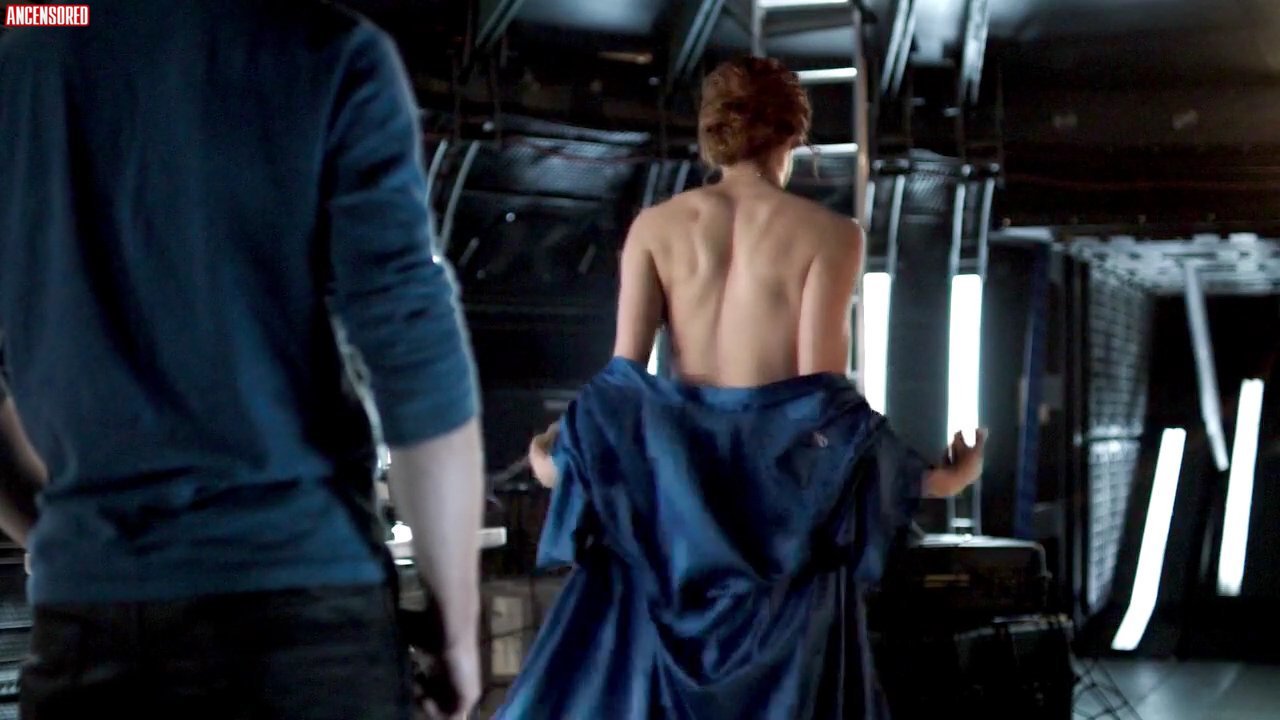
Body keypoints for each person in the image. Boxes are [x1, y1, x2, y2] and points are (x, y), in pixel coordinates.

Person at [0, 3, 485, 719]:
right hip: (302, 625)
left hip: (87, 632)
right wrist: (457, 630)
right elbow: (417, 364)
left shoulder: (26, 53)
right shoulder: (326, 49)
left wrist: (78, 550)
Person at [502, 57, 985, 718]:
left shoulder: (655, 227)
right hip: (777, 525)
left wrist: (558, 459)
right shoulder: (831, 235)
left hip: (675, 516)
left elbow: (622, 387)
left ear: (712, 133)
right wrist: (942, 479)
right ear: (793, 134)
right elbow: (821, 408)